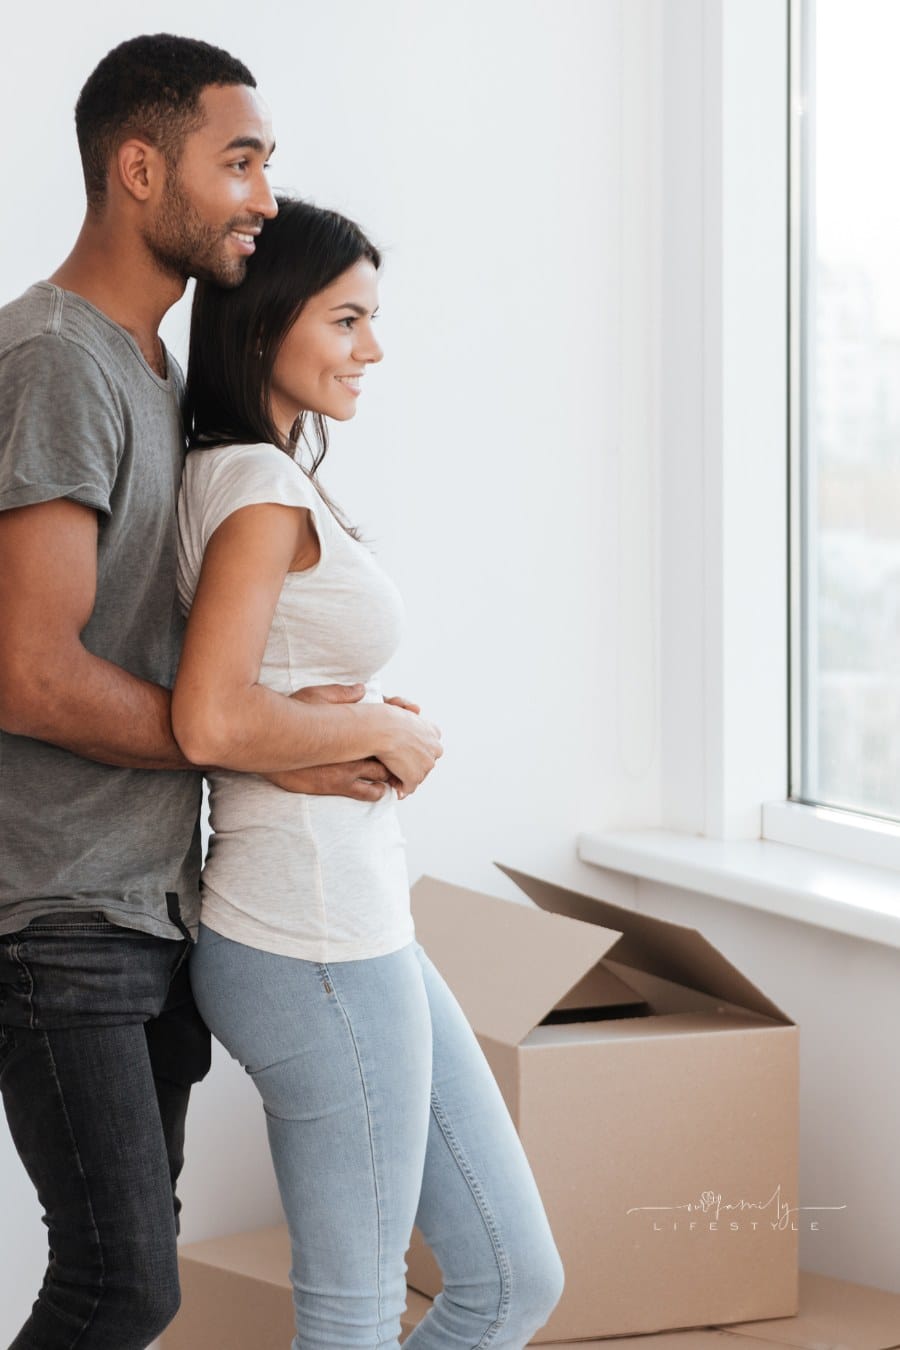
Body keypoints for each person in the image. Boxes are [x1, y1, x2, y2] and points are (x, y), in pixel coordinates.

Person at [0, 34, 429, 1350]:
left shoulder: (156, 371)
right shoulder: (58, 358)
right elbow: (30, 668)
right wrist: (269, 748)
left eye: (267, 164)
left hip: (147, 897)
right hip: (58, 906)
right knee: (121, 1284)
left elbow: (196, 662)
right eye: (236, 159)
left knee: (129, 1277)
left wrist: (277, 723)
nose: (259, 192)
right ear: (139, 168)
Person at [172, 195, 565, 1349]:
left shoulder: (254, 477)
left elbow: (250, 695)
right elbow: (209, 716)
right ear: (265, 324)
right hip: (310, 936)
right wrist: (378, 734)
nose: (372, 350)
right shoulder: (254, 491)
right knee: (351, 1317)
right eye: (347, 321)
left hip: (355, 923)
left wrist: (362, 726)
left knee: (509, 1279)